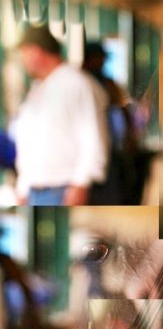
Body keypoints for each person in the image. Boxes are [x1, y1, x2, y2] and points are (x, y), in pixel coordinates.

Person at [13, 25, 109, 206]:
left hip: (64, 191)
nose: (22, 60)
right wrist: (23, 187)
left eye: (24, 53)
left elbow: (93, 138)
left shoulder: (76, 83)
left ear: (37, 52)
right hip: (35, 192)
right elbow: (29, 144)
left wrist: (81, 184)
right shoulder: (38, 88)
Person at [82, 41, 138, 204]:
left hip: (109, 148)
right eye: (98, 58)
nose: (101, 62)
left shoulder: (109, 84)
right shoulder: (83, 83)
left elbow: (123, 109)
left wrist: (129, 136)